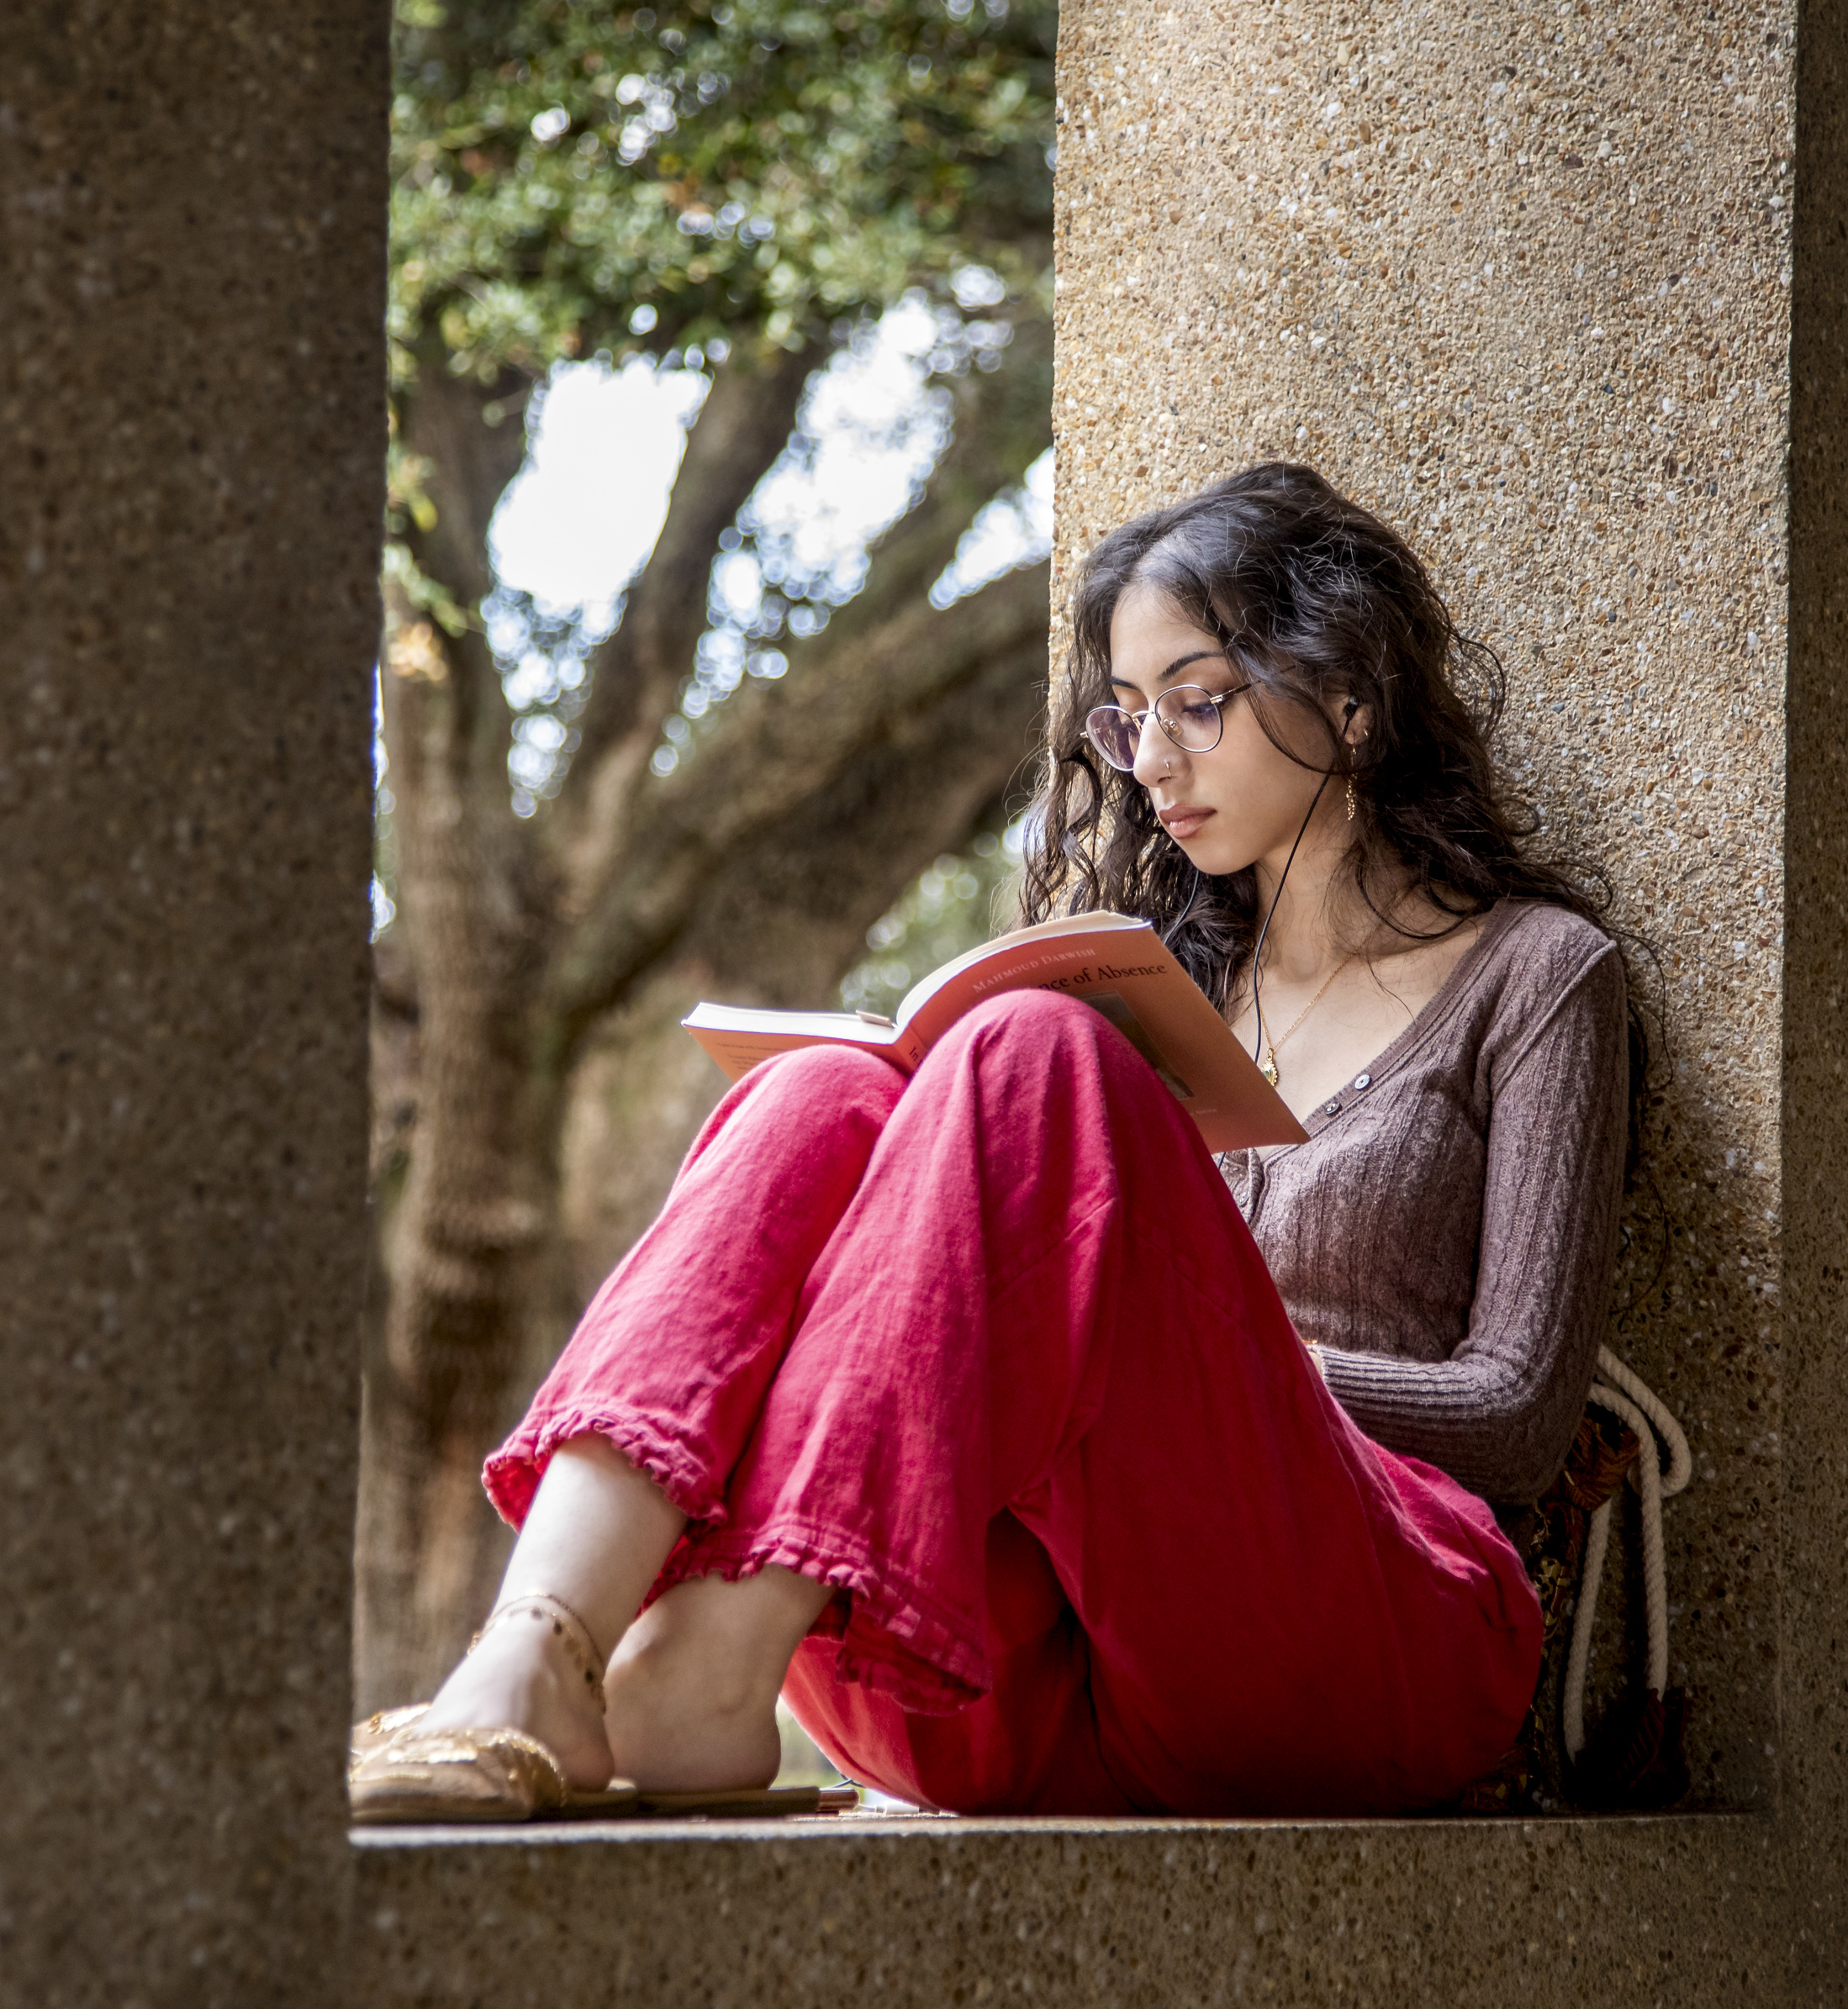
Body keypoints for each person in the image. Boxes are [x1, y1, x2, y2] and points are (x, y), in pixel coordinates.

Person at [348, 461, 1633, 1821]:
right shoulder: (1163, 992)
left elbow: (1516, 1419)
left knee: (1034, 1054)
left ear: (1354, 697)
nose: (1151, 763)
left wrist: (1220, 1344)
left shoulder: (1535, 977)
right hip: (1021, 1675)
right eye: (1127, 717)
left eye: (1199, 703)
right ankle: (545, 1643)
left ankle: (715, 1651)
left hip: (1364, 1640)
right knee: (823, 1096)